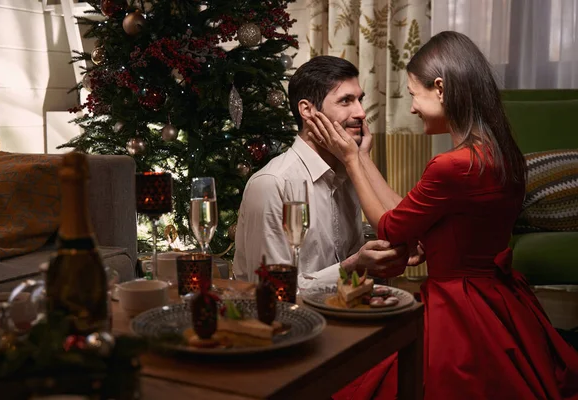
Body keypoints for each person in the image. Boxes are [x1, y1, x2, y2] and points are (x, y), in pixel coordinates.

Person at [307, 32, 578, 399]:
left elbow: (390, 227)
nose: (413, 108)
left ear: (440, 88)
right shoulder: (500, 153)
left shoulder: (452, 165)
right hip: (501, 300)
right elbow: (408, 215)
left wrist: (351, 160)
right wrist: (365, 158)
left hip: (460, 307)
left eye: (413, 95)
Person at [233, 55, 423, 288]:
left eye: (360, 100)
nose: (361, 112)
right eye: (346, 101)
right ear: (308, 110)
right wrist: (352, 266)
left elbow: (400, 229)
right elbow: (269, 289)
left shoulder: (349, 172)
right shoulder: (272, 184)